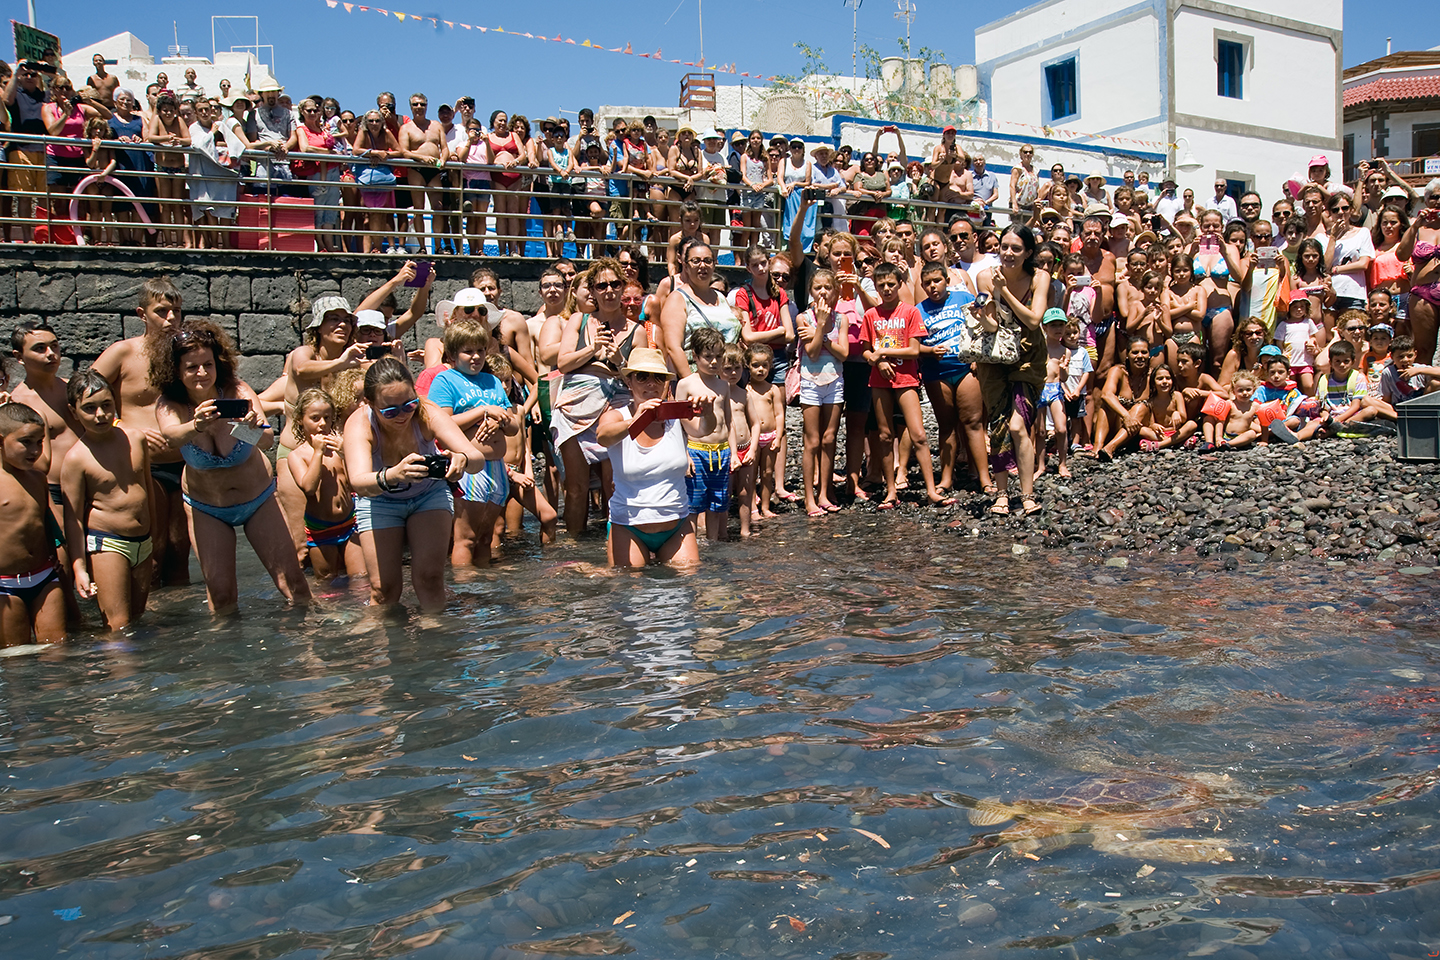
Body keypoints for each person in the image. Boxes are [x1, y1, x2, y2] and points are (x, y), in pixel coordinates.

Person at [151, 320, 309, 614]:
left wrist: (246, 427)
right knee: (222, 596)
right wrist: (195, 426)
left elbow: (265, 441)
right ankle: (224, 657)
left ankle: (308, 649)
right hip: (206, 506)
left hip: (258, 498)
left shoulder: (237, 391)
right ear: (176, 370)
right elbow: (171, 437)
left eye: (207, 365)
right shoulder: (169, 404)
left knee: (294, 585)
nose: (201, 373)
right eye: (191, 367)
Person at [343, 358, 485, 610]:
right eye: (390, 410)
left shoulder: (426, 411)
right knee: (383, 590)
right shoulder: (359, 423)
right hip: (379, 500)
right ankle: (381, 646)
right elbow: (359, 482)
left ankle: (435, 641)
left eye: (409, 404)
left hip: (428, 495)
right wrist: (394, 474)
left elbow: (477, 458)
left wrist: (461, 459)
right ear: (371, 403)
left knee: (430, 579)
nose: (403, 415)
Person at [93, 278, 190, 585]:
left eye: (176, 310)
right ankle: (150, 622)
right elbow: (83, 395)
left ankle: (184, 627)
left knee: (180, 549)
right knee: (155, 548)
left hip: (186, 461)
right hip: (145, 465)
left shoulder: (186, 353)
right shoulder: (122, 353)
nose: (171, 318)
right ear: (142, 314)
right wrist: (123, 426)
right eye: (162, 311)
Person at [553, 258, 647, 535]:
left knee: (613, 483)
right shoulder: (578, 321)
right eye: (601, 285)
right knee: (576, 487)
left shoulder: (636, 331)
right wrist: (593, 350)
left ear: (623, 287)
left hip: (615, 405)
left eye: (614, 284)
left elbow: (641, 379)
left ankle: (616, 540)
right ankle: (572, 544)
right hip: (575, 407)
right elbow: (563, 363)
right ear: (592, 291)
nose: (609, 290)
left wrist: (619, 361)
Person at [594, 348, 704, 567]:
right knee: (629, 587)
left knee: (688, 583)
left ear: (666, 384)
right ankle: (586, 570)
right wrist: (636, 420)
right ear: (629, 381)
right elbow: (602, 437)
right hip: (628, 525)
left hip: (676, 525)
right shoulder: (618, 416)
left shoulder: (675, 417)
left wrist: (707, 412)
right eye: (642, 377)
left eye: (659, 378)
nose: (651, 384)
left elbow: (703, 430)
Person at [61, 369, 152, 629]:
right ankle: (116, 669)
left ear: (116, 404)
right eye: (89, 408)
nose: (100, 414)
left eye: (106, 405)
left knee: (137, 619)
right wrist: (79, 567)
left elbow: (147, 490)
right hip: (108, 543)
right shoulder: (76, 458)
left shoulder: (136, 439)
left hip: (143, 541)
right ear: (73, 411)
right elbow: (74, 518)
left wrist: (152, 537)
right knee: (117, 625)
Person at [429, 319, 520, 566]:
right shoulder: (445, 381)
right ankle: (466, 594)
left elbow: (513, 427)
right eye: (468, 351)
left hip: (496, 467)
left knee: (485, 536)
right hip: (469, 468)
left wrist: (499, 419)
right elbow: (440, 423)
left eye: (480, 350)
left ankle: (484, 589)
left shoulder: (491, 381)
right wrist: (483, 411)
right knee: (466, 537)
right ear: (451, 354)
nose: (476, 357)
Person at [860, 262, 951, 508]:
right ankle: (890, 490)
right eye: (882, 285)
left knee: (919, 434)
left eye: (891, 284)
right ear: (876, 287)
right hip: (879, 381)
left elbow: (913, 350)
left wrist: (883, 353)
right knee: (885, 435)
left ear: (900, 284)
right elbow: (866, 351)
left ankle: (931, 490)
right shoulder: (871, 315)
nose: (887, 289)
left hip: (907, 379)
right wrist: (878, 362)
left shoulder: (910, 312)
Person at [974, 225, 1050, 516]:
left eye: (1016, 248)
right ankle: (1003, 494)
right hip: (995, 358)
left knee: (1019, 425)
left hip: (1029, 357)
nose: (1008, 253)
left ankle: (1027, 493)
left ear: (1028, 252)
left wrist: (1003, 290)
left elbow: (1033, 320)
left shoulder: (1039, 278)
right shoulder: (984, 276)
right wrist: (982, 315)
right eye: (1004, 246)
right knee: (1000, 425)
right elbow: (992, 325)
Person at [0, 402, 64, 644]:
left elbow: (43, 523)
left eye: (39, 442)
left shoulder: (38, 479)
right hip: (5, 584)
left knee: (57, 649)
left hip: (44, 576)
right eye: (25, 442)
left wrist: (55, 556)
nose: (35, 450)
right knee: (15, 657)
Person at [285, 387, 362, 582]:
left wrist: (346, 452)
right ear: (300, 420)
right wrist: (318, 453)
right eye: (315, 418)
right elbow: (309, 487)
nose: (323, 424)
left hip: (349, 522)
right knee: (328, 582)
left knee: (361, 578)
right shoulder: (297, 455)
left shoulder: (339, 448)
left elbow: (355, 484)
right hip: (320, 530)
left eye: (327, 418)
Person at [795, 268, 849, 517]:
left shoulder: (841, 319)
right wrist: (820, 328)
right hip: (811, 380)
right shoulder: (804, 318)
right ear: (811, 291)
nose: (823, 292)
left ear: (836, 291)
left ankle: (824, 492)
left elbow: (844, 353)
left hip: (834, 381)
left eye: (828, 287)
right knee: (812, 441)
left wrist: (824, 336)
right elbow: (812, 352)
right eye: (818, 287)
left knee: (829, 439)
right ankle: (809, 498)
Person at [675, 327, 736, 541]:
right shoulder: (686, 384)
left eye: (718, 357)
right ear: (695, 356)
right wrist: (685, 455)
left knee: (717, 503)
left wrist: (734, 453)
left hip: (722, 451)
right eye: (708, 357)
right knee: (694, 502)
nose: (713, 362)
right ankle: (690, 543)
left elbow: (729, 420)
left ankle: (712, 541)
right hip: (697, 449)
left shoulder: (723, 385)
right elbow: (678, 425)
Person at [658, 242, 742, 374]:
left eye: (708, 261)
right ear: (685, 265)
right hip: (697, 378)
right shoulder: (677, 299)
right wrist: (691, 383)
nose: (702, 265)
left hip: (730, 378)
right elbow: (673, 348)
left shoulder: (720, 297)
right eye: (695, 261)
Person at [1396, 180, 1440, 367]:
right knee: (1423, 349)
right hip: (1423, 294)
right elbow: (1401, 254)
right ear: (1427, 199)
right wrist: (1415, 226)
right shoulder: (1418, 226)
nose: (1438, 201)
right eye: (1435, 197)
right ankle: (1425, 393)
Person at [745, 344, 784, 519]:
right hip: (753, 438)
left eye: (764, 365)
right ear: (748, 366)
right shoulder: (745, 390)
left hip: (770, 436)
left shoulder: (773, 389)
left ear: (770, 366)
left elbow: (779, 414)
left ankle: (766, 507)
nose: (760, 370)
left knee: (768, 473)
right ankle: (753, 507)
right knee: (751, 474)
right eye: (755, 365)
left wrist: (778, 436)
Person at [1324, 191, 1375, 316]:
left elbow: (1363, 264)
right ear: (1329, 214)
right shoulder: (1323, 237)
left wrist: (1336, 269)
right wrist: (1333, 238)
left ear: (1351, 210)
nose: (1341, 212)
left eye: (1345, 208)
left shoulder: (1363, 233)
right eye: (1335, 210)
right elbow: (1325, 266)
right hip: (1331, 293)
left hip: (1354, 292)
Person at [1273, 291, 1323, 396]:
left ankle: (1311, 402)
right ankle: (1290, 403)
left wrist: (1312, 342)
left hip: (1305, 361)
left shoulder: (1308, 322)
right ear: (1289, 309)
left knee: (1308, 385)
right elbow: (1279, 342)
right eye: (1295, 307)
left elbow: (1313, 338)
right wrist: (1282, 355)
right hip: (1290, 362)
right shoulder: (1284, 325)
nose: (1299, 309)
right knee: (1289, 385)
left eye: (1302, 307)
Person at [1199, 370, 1261, 451]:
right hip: (1226, 435)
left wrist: (1263, 438)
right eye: (1240, 390)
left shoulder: (1255, 406)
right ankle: (1209, 442)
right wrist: (1219, 437)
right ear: (1233, 391)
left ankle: (1228, 445)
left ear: (1254, 390)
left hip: (1241, 436)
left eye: (1248, 389)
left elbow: (1262, 423)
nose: (1245, 393)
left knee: (1251, 434)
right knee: (1208, 418)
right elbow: (1221, 421)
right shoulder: (1229, 404)